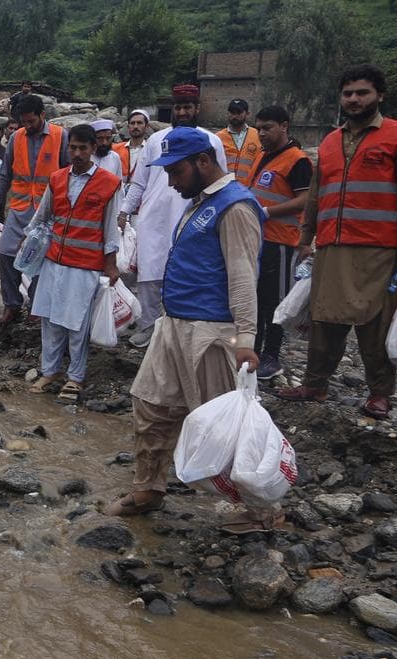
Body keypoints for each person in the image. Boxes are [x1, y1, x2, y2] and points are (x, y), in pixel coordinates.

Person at [104, 127, 267, 531]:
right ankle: (149, 488)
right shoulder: (200, 203)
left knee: (223, 423)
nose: (171, 181)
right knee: (151, 404)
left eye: (176, 172)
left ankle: (259, 509)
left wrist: (245, 339)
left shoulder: (236, 208)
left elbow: (244, 277)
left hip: (212, 332)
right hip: (174, 325)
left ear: (204, 162)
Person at [277, 64, 397, 421]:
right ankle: (315, 384)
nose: (354, 100)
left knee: (374, 322)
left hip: (378, 249)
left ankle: (380, 393)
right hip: (331, 246)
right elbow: (316, 195)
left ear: (379, 95)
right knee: (324, 318)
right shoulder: (329, 141)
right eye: (348, 94)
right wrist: (305, 237)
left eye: (362, 93)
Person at [119, 84, 227, 348]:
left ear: (197, 109)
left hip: (193, 217)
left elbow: (220, 180)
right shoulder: (156, 140)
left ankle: (178, 328)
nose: (182, 112)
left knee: (185, 273)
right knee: (149, 273)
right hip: (153, 219)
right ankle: (148, 326)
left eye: (187, 107)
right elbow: (140, 182)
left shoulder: (211, 141)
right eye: (178, 107)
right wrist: (123, 211)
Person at [25, 125, 122, 404]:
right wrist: (28, 244)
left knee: (76, 323)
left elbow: (111, 230)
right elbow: (41, 217)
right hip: (54, 259)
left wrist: (111, 264)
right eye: (73, 148)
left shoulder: (109, 183)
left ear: (93, 149)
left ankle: (76, 377)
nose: (77, 153)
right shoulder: (56, 179)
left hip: (85, 264)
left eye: (83, 148)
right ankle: (50, 370)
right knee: (50, 317)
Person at [0, 94, 69, 325]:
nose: (27, 126)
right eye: (24, 122)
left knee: (40, 258)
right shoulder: (16, 138)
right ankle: (12, 304)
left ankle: (36, 306)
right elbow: (5, 175)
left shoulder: (60, 136)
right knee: (6, 253)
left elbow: (68, 175)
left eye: (31, 121)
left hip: (47, 212)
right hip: (20, 207)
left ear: (43, 115)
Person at [245, 105, 312, 380]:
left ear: (284, 126)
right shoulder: (265, 156)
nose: (261, 133)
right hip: (259, 239)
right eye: (259, 128)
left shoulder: (297, 160)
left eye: (267, 128)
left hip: (281, 241)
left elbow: (306, 199)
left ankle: (271, 356)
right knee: (256, 299)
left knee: (274, 301)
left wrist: (268, 212)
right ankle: (253, 351)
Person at [216, 98, 262, 185]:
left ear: (247, 114)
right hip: (223, 187)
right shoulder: (218, 137)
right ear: (228, 113)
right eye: (232, 112)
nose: (235, 116)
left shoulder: (258, 135)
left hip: (248, 187)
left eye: (239, 113)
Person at [113, 110, 149, 186]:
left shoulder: (151, 150)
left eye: (139, 123)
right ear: (128, 127)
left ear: (147, 127)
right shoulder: (115, 149)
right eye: (132, 123)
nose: (135, 126)